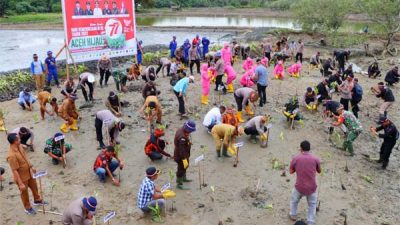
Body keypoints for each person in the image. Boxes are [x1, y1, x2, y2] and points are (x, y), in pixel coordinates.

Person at [7, 133, 46, 215]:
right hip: (21, 177)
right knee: (24, 193)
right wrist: (20, 183)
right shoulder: (11, 155)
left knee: (34, 186)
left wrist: (31, 166)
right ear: (15, 141)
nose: (20, 139)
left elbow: (25, 158)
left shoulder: (20, 146)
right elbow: (14, 170)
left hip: (29, 172)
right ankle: (27, 207)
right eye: (18, 139)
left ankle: (37, 200)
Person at [289, 140, 321, 225]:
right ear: (309, 148)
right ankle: (310, 221)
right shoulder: (315, 159)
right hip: (312, 187)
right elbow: (319, 171)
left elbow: (291, 171)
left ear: (301, 149)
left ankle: (293, 215)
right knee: (312, 204)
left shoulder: (296, 158)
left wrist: (298, 168)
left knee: (294, 200)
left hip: (299, 186)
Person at [174, 120, 196, 189]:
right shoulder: (182, 138)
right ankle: (179, 184)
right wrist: (184, 159)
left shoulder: (181, 129)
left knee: (185, 166)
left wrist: (188, 142)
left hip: (184, 154)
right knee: (181, 168)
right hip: (181, 156)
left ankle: (184, 178)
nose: (191, 132)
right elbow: (181, 150)